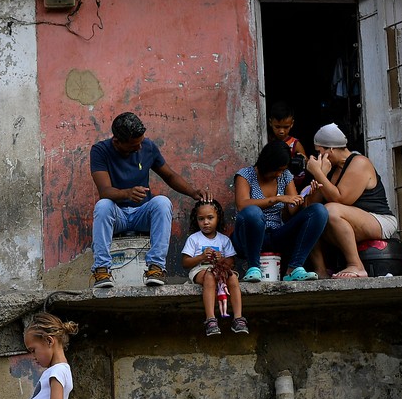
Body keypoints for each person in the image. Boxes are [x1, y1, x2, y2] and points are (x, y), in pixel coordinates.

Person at [90, 111, 211, 289]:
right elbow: (104, 191)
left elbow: (169, 175)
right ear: (117, 142)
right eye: (133, 145)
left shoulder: (147, 147)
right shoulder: (100, 151)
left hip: (141, 215)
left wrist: (192, 192)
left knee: (162, 203)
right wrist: (126, 194)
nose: (139, 148)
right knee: (103, 206)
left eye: (140, 143)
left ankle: (156, 268)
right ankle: (101, 269)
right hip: (117, 216)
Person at [304, 122, 398, 279]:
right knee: (312, 216)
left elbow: (341, 199)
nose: (317, 157)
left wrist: (318, 173)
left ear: (330, 150)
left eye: (319, 152)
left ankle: (356, 265)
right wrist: (319, 177)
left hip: (378, 220)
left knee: (331, 210)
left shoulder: (359, 162)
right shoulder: (330, 168)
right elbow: (312, 207)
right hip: (349, 220)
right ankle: (321, 270)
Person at [231, 141, 328, 282]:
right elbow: (242, 205)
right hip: (250, 238)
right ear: (266, 164)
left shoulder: (285, 175)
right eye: (276, 170)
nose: (279, 174)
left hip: (277, 234)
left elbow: (292, 212)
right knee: (253, 212)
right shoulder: (245, 175)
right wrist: (276, 199)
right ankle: (254, 268)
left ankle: (293, 268)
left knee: (319, 211)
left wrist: (305, 197)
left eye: (282, 170)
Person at [181, 199, 248, 336]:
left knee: (233, 277)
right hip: (200, 270)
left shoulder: (224, 240)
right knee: (210, 275)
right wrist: (201, 257)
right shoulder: (194, 239)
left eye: (210, 218)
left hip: (220, 270)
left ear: (218, 218)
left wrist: (221, 259)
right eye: (201, 219)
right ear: (197, 220)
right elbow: (185, 262)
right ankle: (211, 319)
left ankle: (238, 318)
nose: (206, 222)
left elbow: (231, 262)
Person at [267, 101, 308, 179]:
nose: (281, 131)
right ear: (270, 123)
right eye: (277, 127)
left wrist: (304, 159)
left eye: (286, 127)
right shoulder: (266, 140)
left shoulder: (295, 144)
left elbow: (306, 163)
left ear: (292, 124)